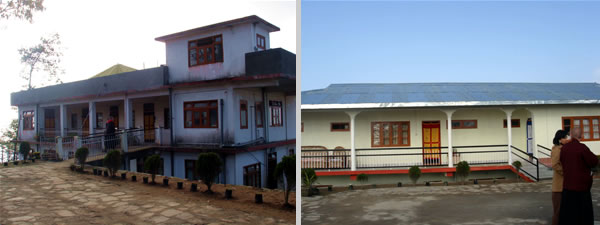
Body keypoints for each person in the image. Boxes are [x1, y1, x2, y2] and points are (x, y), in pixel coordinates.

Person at [559, 128, 598, 225]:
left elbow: (562, 161)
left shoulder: (564, 148)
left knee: (568, 214)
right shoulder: (582, 148)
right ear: (581, 136)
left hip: (568, 186)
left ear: (571, 135)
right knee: (583, 214)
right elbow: (593, 161)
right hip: (581, 187)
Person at [551, 130, 569, 225]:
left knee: (565, 212)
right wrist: (566, 172)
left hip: (565, 186)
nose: (567, 139)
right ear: (560, 139)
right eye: (565, 137)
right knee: (558, 212)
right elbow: (554, 164)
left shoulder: (564, 149)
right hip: (558, 187)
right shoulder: (557, 149)